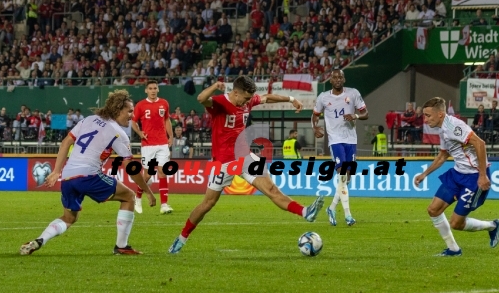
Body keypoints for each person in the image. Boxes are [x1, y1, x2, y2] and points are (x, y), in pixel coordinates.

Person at [168, 76, 325, 254]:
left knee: (271, 189)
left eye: (250, 99)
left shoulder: (247, 101)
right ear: (235, 93)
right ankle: (181, 239)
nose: (249, 102)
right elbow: (201, 99)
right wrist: (214, 86)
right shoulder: (220, 103)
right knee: (208, 203)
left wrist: (291, 99)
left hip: (244, 157)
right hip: (223, 162)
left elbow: (266, 97)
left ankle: (305, 212)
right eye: (246, 98)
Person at [20, 90, 156, 256]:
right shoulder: (118, 133)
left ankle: (39, 240)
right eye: (129, 111)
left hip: (68, 177)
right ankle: (122, 246)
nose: (132, 115)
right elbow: (131, 168)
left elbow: (65, 143)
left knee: (69, 218)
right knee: (129, 197)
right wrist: (147, 191)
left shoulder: (89, 120)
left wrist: (56, 172)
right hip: (88, 176)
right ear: (117, 110)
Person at [414, 97, 499, 257]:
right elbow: (442, 156)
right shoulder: (441, 129)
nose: (425, 119)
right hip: (457, 174)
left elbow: (480, 144)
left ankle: (492, 226)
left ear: (440, 114)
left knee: (457, 223)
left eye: (428, 115)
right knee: (433, 210)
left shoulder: (454, 126)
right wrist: (424, 174)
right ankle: (453, 250)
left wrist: (482, 175)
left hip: (473, 177)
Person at [312, 69, 368, 227]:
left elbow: (365, 113)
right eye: (334, 77)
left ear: (344, 79)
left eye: (340, 77)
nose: (337, 79)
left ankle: (331, 208)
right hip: (335, 140)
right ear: (330, 80)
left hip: (351, 139)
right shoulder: (323, 97)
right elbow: (315, 114)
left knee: (347, 179)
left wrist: (355, 116)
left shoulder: (353, 93)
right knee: (342, 175)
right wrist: (314, 127)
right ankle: (348, 215)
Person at [131, 80, 174, 214]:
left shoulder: (164, 103)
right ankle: (137, 198)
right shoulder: (140, 105)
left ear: (158, 90)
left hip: (162, 143)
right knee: (148, 175)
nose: (153, 90)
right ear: (146, 90)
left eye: (155, 88)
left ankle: (164, 205)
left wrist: (171, 136)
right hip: (148, 144)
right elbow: (133, 121)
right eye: (150, 88)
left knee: (163, 172)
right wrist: (139, 133)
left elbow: (167, 120)